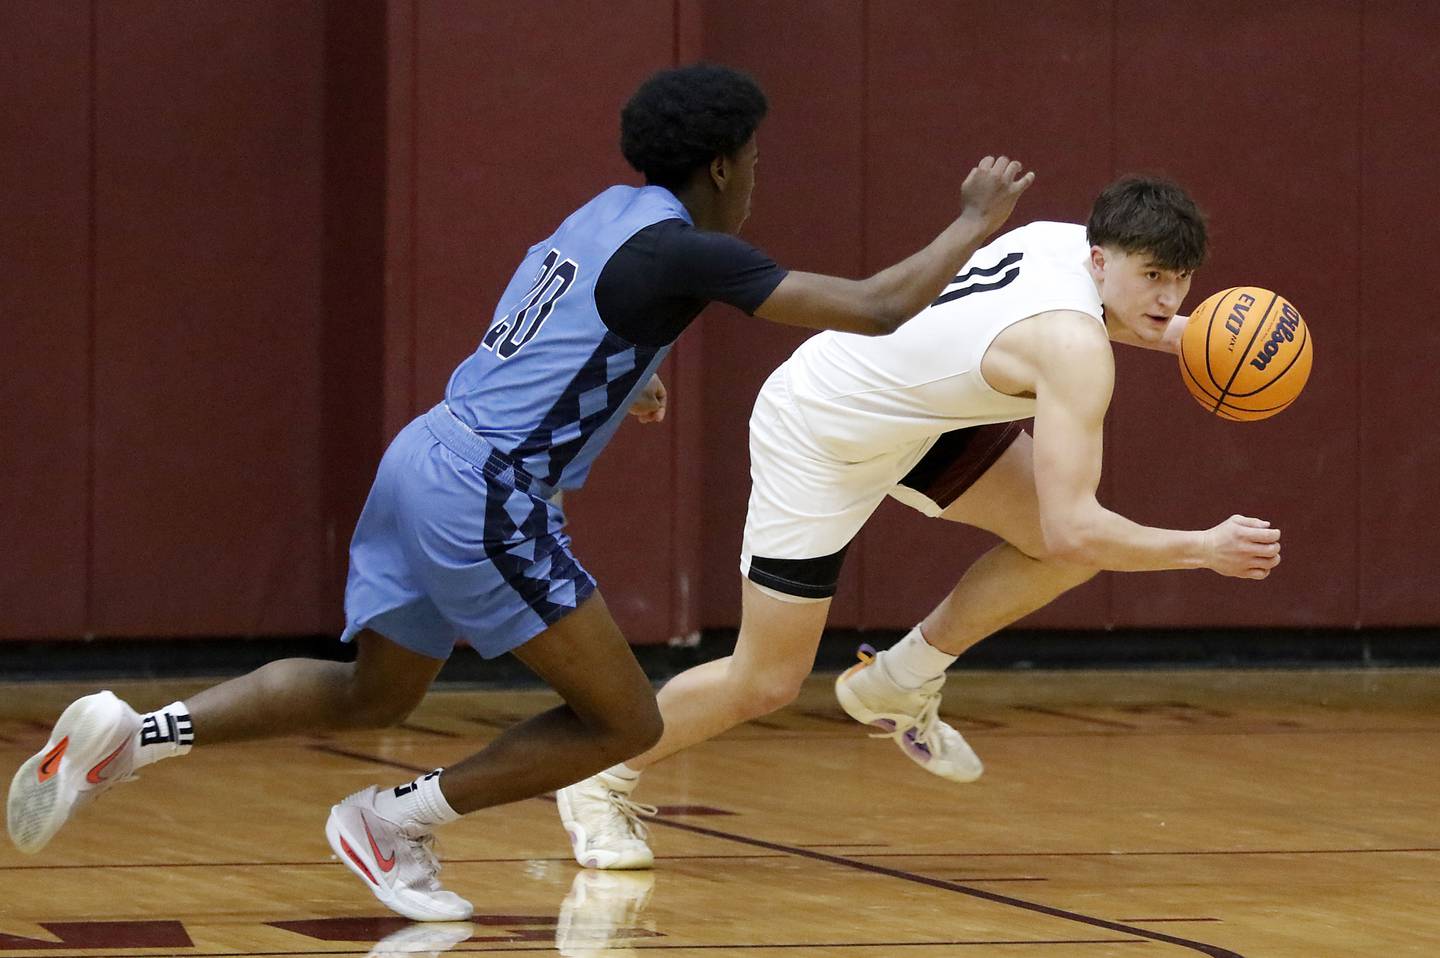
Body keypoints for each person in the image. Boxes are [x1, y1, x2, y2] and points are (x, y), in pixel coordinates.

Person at [5, 63, 1033, 922]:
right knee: (624, 722)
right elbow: (873, 306)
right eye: (755, 159)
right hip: (486, 490)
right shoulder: (684, 244)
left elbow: (565, 320)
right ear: (722, 163)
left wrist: (630, 372)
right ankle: (390, 820)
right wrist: (973, 222)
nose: (757, 177)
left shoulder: (607, 214)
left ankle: (128, 736)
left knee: (378, 687)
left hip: (424, 454)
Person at [557, 175, 1284, 869]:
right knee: (767, 679)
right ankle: (598, 776)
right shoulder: (1075, 351)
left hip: (922, 416)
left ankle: (900, 681)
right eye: (1154, 276)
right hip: (822, 432)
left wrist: (1209, 335)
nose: (1168, 296)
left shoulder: (1061, 242)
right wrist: (1204, 548)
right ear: (1101, 258)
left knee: (1068, 551)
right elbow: (1075, 517)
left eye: (1182, 280)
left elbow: (1112, 320)